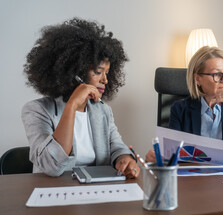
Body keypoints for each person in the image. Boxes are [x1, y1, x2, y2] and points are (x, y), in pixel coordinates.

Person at [21, 18, 140, 178]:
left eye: (107, 73)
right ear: (75, 72)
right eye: (98, 72)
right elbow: (51, 166)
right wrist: (72, 105)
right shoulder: (37, 110)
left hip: (96, 191)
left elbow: (116, 146)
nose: (105, 80)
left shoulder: (103, 110)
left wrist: (124, 158)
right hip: (55, 192)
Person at [146, 46, 223, 161]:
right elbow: (172, 155)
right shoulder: (180, 110)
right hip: (193, 175)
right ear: (197, 79)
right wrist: (158, 156)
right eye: (216, 74)